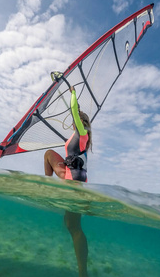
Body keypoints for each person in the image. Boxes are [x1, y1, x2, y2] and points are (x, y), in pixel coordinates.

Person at [44, 85, 91, 277]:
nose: (75, 123)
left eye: (78, 121)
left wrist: (72, 93)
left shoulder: (83, 134)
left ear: (82, 123)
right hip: (71, 178)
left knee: (74, 227)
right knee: (69, 224)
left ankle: (83, 272)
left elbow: (73, 112)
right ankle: (48, 186)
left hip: (74, 184)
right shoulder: (77, 138)